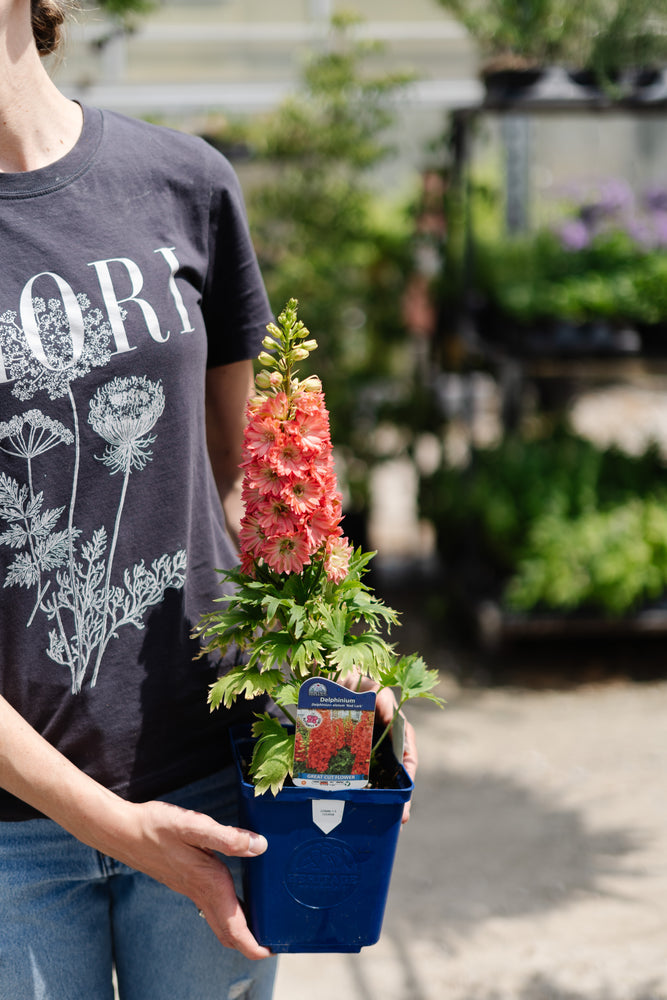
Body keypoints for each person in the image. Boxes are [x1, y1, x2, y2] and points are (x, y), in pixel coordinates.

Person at [0, 2, 418, 998]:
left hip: (216, 780)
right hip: (14, 840)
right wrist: (117, 828)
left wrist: (338, 674)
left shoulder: (183, 184)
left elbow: (259, 489)